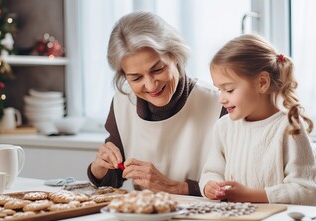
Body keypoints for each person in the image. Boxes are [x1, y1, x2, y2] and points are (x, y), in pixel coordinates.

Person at [87, 12, 226, 196]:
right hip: (145, 218)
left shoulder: (219, 103)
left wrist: (173, 187)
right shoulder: (122, 102)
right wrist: (99, 169)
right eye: (136, 78)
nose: (151, 85)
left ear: (175, 55)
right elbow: (114, 178)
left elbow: (236, 184)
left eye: (158, 69)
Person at [199, 34, 316, 205]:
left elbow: (306, 191)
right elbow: (211, 172)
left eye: (229, 90)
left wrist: (250, 195)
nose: (221, 99)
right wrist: (209, 186)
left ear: (262, 82)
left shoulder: (289, 127)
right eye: (219, 89)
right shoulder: (224, 127)